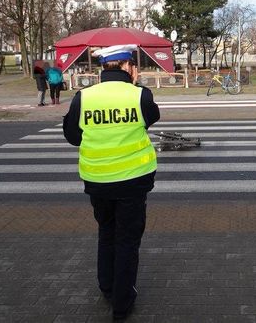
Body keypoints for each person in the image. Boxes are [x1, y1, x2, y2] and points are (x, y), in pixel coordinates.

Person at [63, 45, 160, 321]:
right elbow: (151, 118)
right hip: (132, 181)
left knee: (106, 233)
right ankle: (122, 303)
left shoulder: (83, 97)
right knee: (127, 241)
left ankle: (107, 287)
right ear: (129, 67)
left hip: (98, 181)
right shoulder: (140, 94)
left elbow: (72, 136)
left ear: (103, 68)